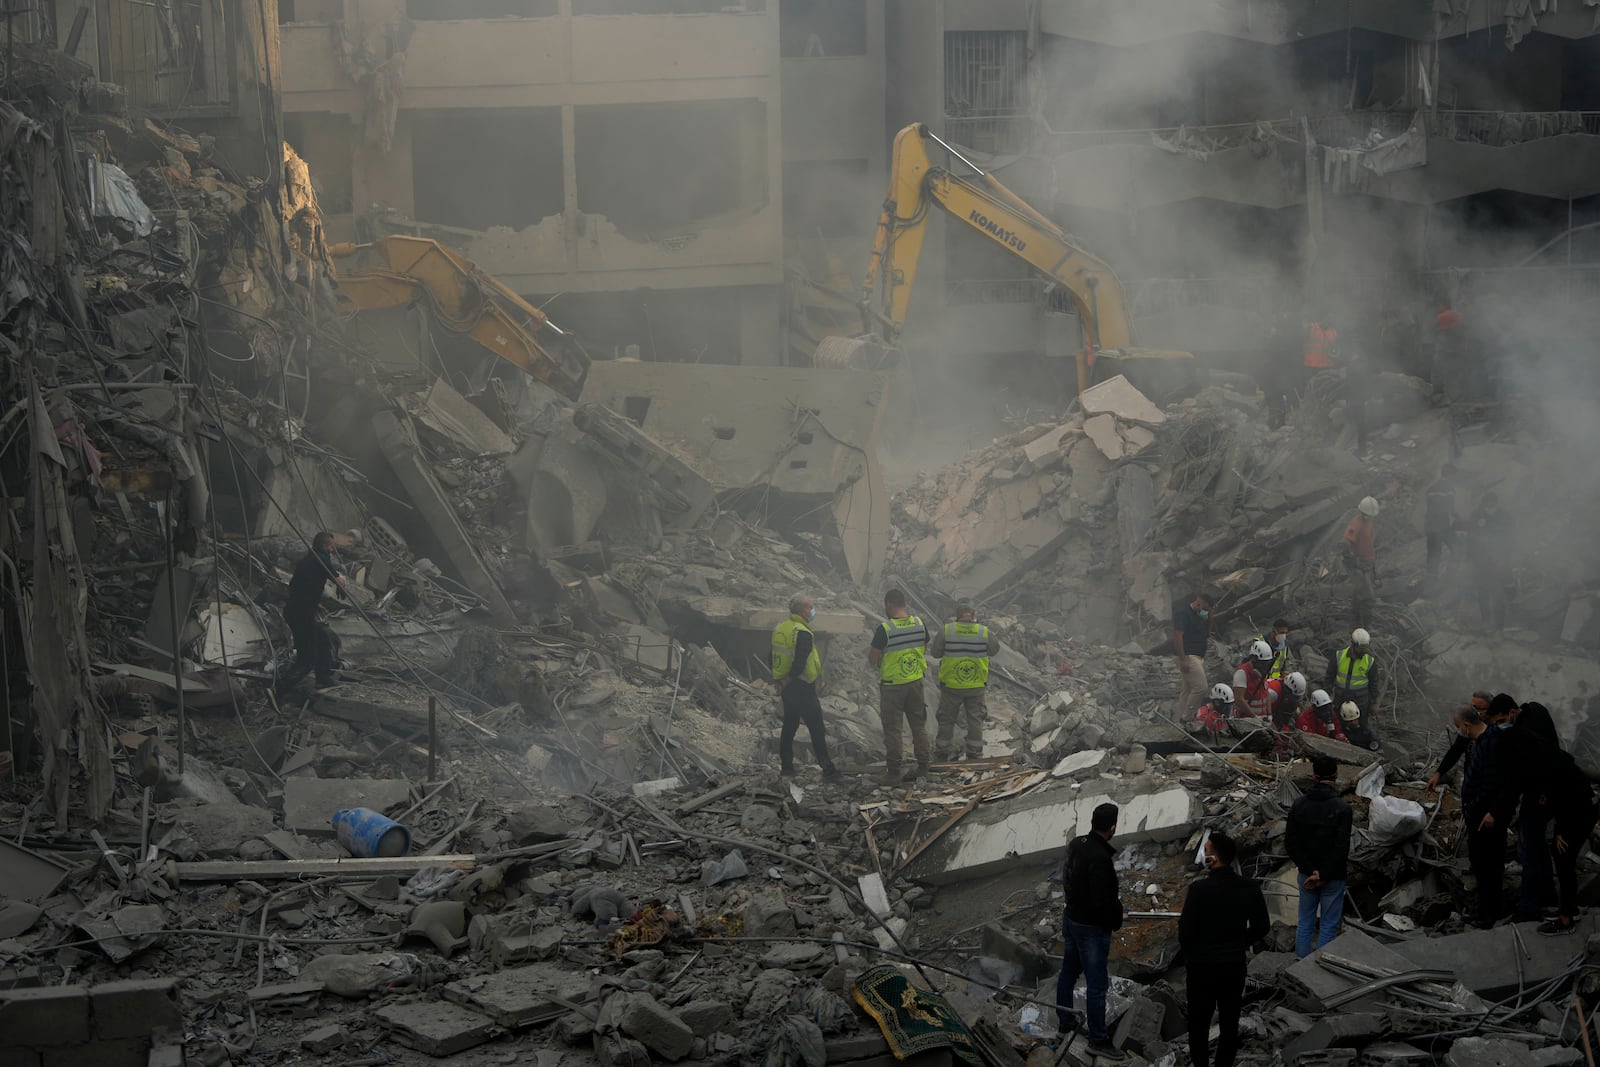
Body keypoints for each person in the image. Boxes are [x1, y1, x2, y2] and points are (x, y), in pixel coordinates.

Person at [1178, 831, 1269, 1067]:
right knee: (1230, 1023)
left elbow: (1185, 933)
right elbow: (1262, 926)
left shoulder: (1199, 890)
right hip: (1233, 966)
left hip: (1201, 968)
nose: (1204, 854)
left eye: (1206, 851)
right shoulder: (1249, 888)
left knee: (1198, 1024)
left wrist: (1192, 957)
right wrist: (1240, 942)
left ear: (1214, 858)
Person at [1056, 802, 1128, 1061]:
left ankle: (1065, 1022)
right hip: (1090, 930)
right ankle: (1098, 1040)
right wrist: (1115, 917)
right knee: (1097, 985)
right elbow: (1102, 903)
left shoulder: (1077, 844)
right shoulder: (1101, 859)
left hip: (1072, 919)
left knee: (1068, 973)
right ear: (1112, 827)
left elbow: (1066, 878)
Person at [771, 594, 843, 783]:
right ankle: (828, 770)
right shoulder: (802, 631)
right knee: (816, 727)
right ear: (802, 610)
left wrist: (780, 681)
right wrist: (789, 680)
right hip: (801, 684)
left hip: (787, 686)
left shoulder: (781, 627)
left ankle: (787, 767)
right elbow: (800, 661)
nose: (812, 610)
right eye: (810, 607)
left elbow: (772, 655)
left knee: (790, 724)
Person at [1456, 703, 1517, 927]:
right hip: (1478, 813)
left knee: (1489, 865)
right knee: (1480, 865)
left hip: (1486, 816)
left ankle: (1490, 914)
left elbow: (1493, 783)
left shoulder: (1491, 743)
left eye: (1458, 726)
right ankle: (1483, 910)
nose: (1458, 730)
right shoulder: (1483, 741)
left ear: (1465, 724)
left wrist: (1485, 809)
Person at [1286, 756, 1353, 957]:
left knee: (1305, 922)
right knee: (1328, 926)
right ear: (1336, 775)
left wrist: (1310, 870)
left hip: (1306, 876)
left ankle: (1300, 965)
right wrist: (1322, 873)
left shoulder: (1298, 805)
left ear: (1314, 775)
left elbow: (1291, 844)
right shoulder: (1342, 808)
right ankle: (1321, 972)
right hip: (1332, 877)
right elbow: (1341, 847)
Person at [868, 589, 932, 782]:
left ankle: (894, 772)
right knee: (919, 726)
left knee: (893, 729)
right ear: (904, 604)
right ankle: (923, 768)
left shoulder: (885, 629)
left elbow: (872, 658)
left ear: (888, 604)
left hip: (892, 687)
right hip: (915, 683)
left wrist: (884, 664)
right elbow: (923, 646)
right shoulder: (920, 624)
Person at [276, 531, 347, 693]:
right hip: (301, 616)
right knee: (307, 659)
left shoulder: (307, 560)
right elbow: (335, 576)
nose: (332, 550)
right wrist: (340, 582)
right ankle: (278, 689)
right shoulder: (320, 559)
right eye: (331, 547)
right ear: (324, 546)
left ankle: (323, 679)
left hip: (297, 611)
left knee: (324, 639)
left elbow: (296, 587)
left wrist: (315, 604)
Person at [929, 603, 1000, 762]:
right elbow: (994, 650)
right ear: (973, 613)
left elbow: (935, 653)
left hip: (951, 685)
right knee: (975, 719)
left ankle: (942, 753)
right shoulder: (984, 632)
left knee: (946, 719)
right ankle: (974, 754)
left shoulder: (946, 630)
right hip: (975, 686)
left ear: (958, 614)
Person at [1510, 701, 1560, 921]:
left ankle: (1529, 908)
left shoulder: (1531, 738)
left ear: (1511, 713)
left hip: (1540, 797)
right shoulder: (1535, 714)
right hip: (1541, 795)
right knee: (1537, 847)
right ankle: (1548, 896)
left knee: (1529, 851)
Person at [1542, 738, 1598, 935]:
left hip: (1576, 819)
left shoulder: (1555, 770)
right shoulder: (1559, 761)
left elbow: (1565, 803)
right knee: (1565, 863)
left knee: (1564, 862)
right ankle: (1570, 910)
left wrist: (1560, 833)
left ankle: (1566, 920)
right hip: (1582, 815)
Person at [1427, 691, 1494, 792]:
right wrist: (1439, 773)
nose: (1474, 711)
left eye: (1478, 708)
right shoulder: (1467, 730)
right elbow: (1455, 751)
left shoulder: (1495, 734)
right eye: (1472, 707)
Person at [1467, 491, 1513, 632]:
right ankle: (1486, 621)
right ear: (1483, 505)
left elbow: (1511, 540)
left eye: (1492, 506)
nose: (1489, 509)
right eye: (1487, 506)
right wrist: (1471, 558)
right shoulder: (1476, 516)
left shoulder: (1505, 517)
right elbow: (1470, 539)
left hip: (1499, 561)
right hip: (1480, 561)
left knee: (1497, 593)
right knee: (1482, 593)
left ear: (1497, 505)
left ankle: (1499, 626)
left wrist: (1505, 558)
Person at [1325, 629, 1379, 744]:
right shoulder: (1339, 656)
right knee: (1337, 723)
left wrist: (1374, 702)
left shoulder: (1369, 661)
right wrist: (1327, 692)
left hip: (1360, 700)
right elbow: (1329, 676)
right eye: (1361, 648)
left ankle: (1364, 748)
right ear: (1353, 644)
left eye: (1366, 647)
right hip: (1340, 697)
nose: (1364, 651)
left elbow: (1374, 683)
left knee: (1361, 725)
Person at [1172, 593, 1213, 716]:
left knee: (1188, 689)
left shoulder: (1199, 616)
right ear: (1200, 603)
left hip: (1198, 656)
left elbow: (1208, 634)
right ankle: (1188, 718)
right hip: (1189, 656)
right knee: (1201, 687)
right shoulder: (1183, 613)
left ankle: (1180, 719)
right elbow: (1177, 636)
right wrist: (1183, 659)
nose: (1206, 612)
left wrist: (1210, 616)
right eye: (1206, 609)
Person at [1343, 498, 1380, 625]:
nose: (1370, 518)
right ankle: (1366, 629)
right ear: (1362, 512)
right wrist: (1354, 562)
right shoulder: (1356, 523)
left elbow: (1368, 543)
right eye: (1367, 515)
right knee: (1368, 598)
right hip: (1358, 565)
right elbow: (1346, 543)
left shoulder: (1369, 523)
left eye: (1371, 516)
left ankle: (1355, 626)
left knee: (1358, 596)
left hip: (1367, 563)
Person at [1424, 464, 1459, 589]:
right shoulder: (1449, 489)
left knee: (1433, 555)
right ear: (1451, 476)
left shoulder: (1431, 489)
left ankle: (1430, 584)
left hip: (1429, 526)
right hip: (1442, 526)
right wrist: (1460, 517)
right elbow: (1450, 509)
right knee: (1457, 547)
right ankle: (1452, 575)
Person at [1232, 640, 1276, 720]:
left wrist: (1269, 714)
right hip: (1246, 720)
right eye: (1262, 663)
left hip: (1262, 718)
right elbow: (1239, 699)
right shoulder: (1242, 673)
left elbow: (1266, 693)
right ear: (1254, 658)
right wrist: (1254, 718)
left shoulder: (1262, 672)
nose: (1264, 666)